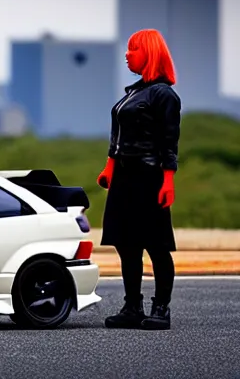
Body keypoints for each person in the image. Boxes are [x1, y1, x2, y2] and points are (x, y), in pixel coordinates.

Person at [97, 28, 181, 331]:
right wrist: (109, 167)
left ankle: (161, 308)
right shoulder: (132, 92)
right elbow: (116, 136)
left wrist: (167, 180)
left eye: (133, 50)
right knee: (126, 243)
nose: (127, 54)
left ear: (149, 53)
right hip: (124, 178)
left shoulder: (164, 95)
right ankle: (133, 306)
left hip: (149, 177)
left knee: (156, 245)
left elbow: (169, 142)